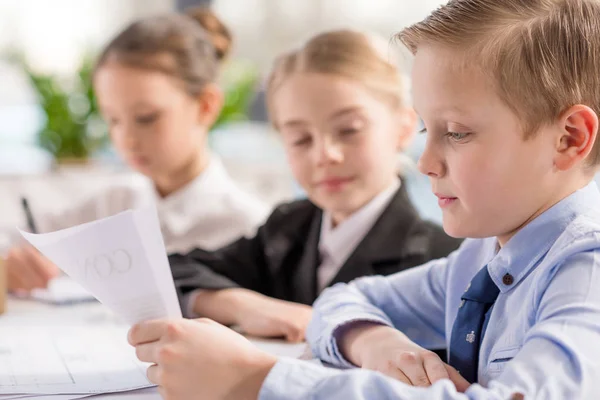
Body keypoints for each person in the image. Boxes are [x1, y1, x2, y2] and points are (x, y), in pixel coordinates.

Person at [129, 0, 600, 399]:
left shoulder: (587, 274)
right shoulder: (479, 258)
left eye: (456, 132)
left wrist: (258, 379)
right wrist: (372, 341)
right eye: (426, 131)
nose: (426, 162)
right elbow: (343, 298)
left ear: (568, 139)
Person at [168, 30, 461, 342]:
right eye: (300, 139)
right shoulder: (287, 229)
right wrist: (243, 306)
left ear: (403, 128)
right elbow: (175, 269)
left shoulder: (442, 258)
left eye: (349, 130)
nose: (325, 155)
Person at [4, 7, 269, 293]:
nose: (127, 139)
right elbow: (16, 237)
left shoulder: (250, 226)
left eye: (146, 118)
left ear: (206, 106)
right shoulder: (111, 205)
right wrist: (11, 264)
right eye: (113, 119)